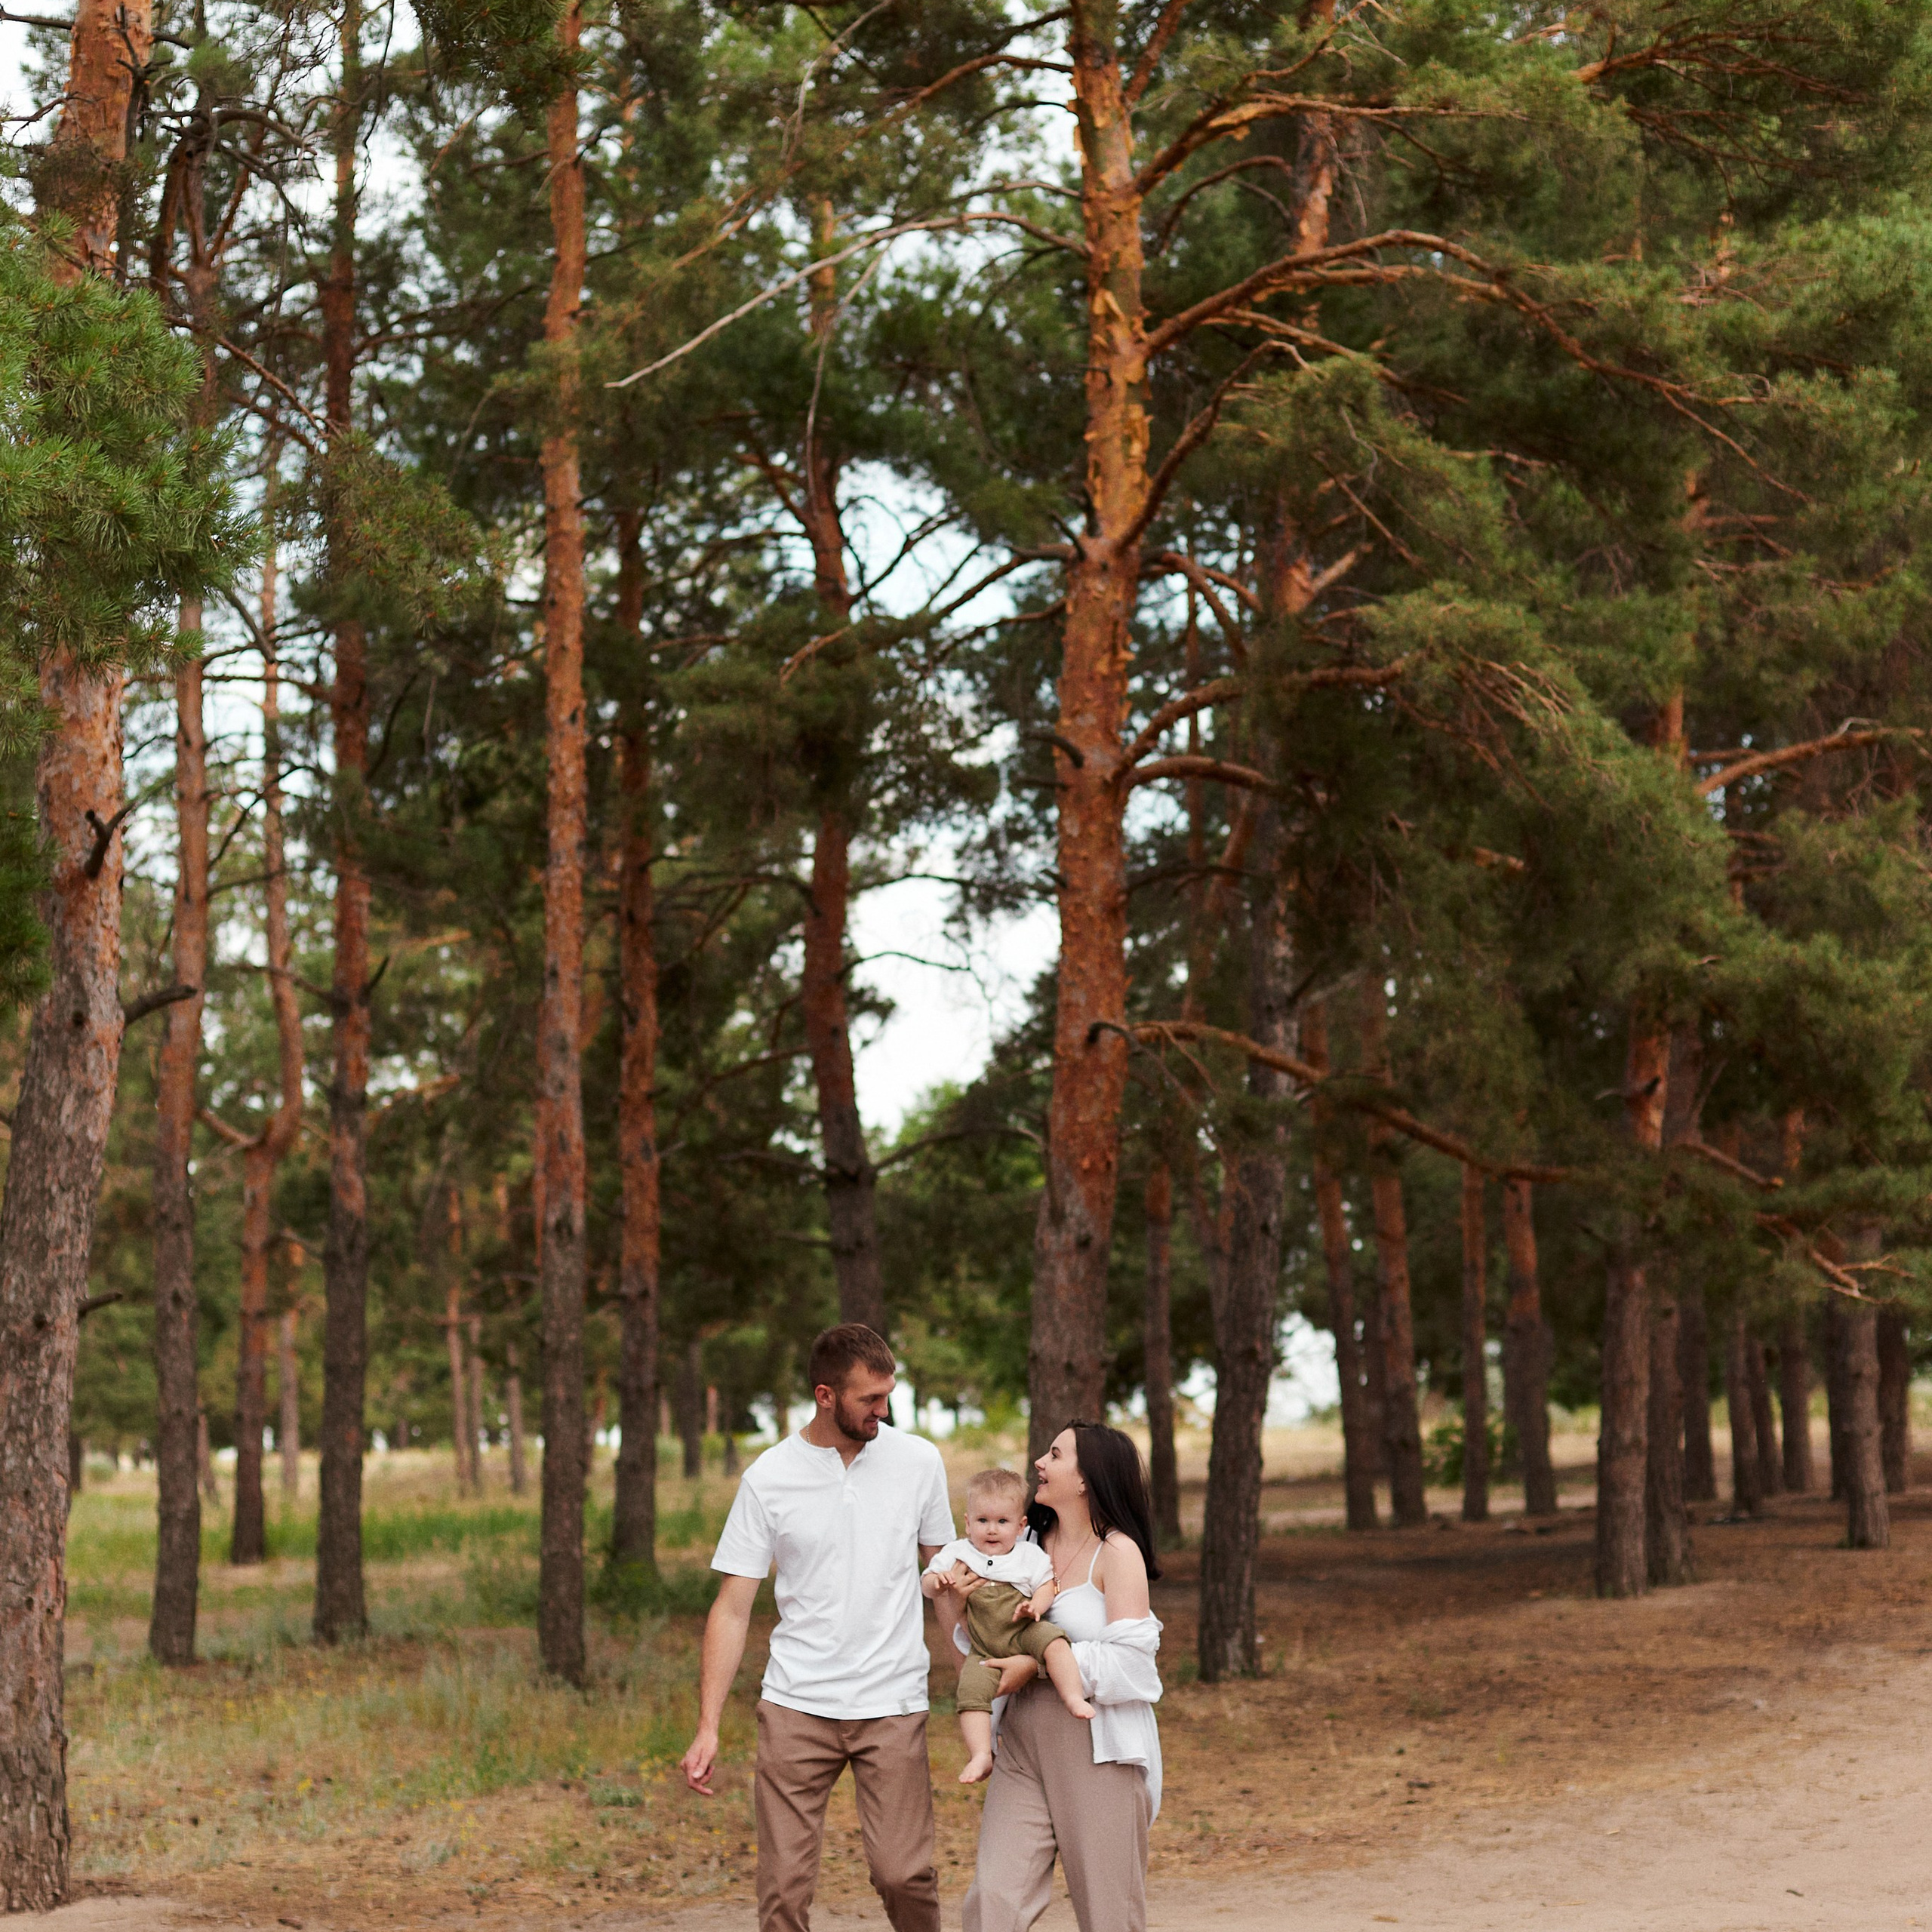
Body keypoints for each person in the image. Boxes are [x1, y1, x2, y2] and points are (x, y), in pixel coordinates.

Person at [679, 1321, 955, 1932]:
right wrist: (707, 1726)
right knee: (782, 1891)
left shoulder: (917, 1462)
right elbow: (731, 1606)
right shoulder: (769, 1478)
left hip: (892, 1702)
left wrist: (977, 1690)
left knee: (902, 1874)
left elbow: (946, 1582)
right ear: (825, 1395)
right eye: (870, 1399)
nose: (884, 1412)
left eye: (888, 1396)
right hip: (796, 1706)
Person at [961, 1422, 1165, 1932]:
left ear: (1086, 1479)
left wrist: (1043, 1662)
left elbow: (1136, 1668)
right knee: (993, 1905)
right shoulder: (1021, 1542)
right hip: (1022, 1744)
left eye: (1055, 1454)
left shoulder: (1117, 1554)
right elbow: (979, 1640)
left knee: (1108, 1916)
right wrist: (954, 1599)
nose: (1039, 1463)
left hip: (1097, 1748)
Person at [921, 1466, 1093, 1783]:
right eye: (983, 1521)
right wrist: (939, 1582)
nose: (992, 1530)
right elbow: (927, 1585)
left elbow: (1046, 1586)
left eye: (1002, 1522)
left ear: (1020, 1526)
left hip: (1023, 1628)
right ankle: (980, 1754)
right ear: (967, 1523)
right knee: (970, 1691)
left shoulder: (1029, 1555)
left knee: (1055, 1642)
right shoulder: (958, 1553)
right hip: (983, 1642)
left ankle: (1073, 1696)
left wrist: (1035, 1606)